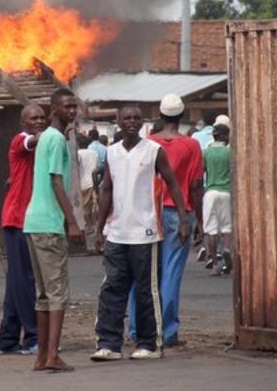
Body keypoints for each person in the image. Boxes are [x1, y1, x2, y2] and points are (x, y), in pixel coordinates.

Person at [90, 105, 189, 362]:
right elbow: (106, 191)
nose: (132, 122)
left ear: (142, 122)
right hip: (117, 232)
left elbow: (173, 184)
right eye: (127, 118)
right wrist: (99, 229)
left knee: (146, 291)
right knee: (112, 288)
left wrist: (183, 220)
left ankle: (148, 344)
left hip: (146, 233)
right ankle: (108, 344)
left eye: (136, 118)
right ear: (118, 122)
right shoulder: (111, 153)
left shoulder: (154, 150)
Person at [129, 93, 204, 347]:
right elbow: (195, 185)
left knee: (143, 272)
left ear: (160, 116)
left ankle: (137, 328)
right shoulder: (191, 146)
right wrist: (199, 221)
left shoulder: (148, 143)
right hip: (178, 214)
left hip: (150, 211)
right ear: (181, 116)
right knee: (171, 272)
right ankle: (168, 332)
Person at [24, 88, 84, 373]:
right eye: (67, 107)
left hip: (33, 223)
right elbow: (56, 181)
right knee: (57, 293)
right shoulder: (57, 139)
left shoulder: (44, 138)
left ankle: (41, 357)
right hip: (48, 224)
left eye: (75, 106)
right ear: (54, 108)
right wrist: (71, 220)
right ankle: (52, 356)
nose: (72, 111)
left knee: (44, 295)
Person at [0, 104, 46, 355]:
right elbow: (32, 142)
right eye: (33, 118)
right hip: (18, 219)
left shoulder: (40, 145)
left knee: (17, 279)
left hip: (29, 218)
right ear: (23, 122)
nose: (39, 121)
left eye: (42, 118)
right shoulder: (21, 140)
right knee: (24, 279)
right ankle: (33, 336)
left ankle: (6, 339)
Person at [202, 124, 232, 275]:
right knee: (227, 228)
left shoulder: (206, 152)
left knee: (211, 230)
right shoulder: (229, 152)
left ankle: (215, 264)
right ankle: (226, 249)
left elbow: (202, 172)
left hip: (210, 192)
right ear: (223, 136)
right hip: (226, 192)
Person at [77, 136, 100, 253]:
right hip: (92, 184)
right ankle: (94, 234)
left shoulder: (77, 154)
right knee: (94, 212)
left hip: (81, 184)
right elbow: (95, 170)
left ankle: (87, 232)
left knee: (84, 211)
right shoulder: (94, 153)